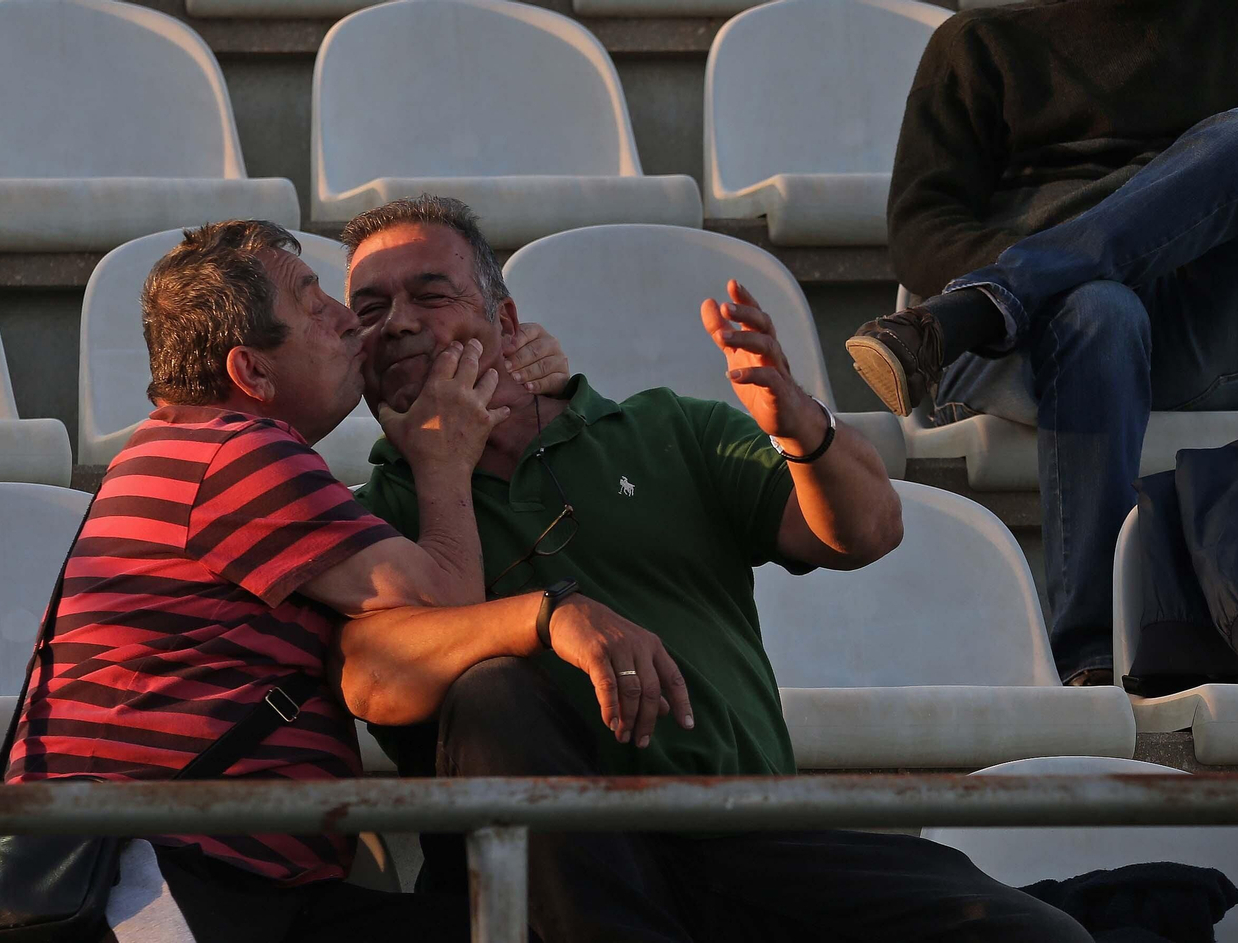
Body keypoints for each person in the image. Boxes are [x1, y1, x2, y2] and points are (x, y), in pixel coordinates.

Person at [338, 195, 1092, 942]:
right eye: (369, 310)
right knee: (488, 688)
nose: (398, 321)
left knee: (1033, 933)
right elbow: (371, 677)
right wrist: (546, 609)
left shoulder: (667, 427)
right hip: (544, 881)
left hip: (747, 838)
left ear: (505, 324)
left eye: (430, 294)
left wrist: (799, 419)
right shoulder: (359, 513)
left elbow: (869, 528)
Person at [2, 219, 656, 943]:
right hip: (166, 885)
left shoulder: (186, 445)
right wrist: (443, 462)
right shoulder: (238, 454)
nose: (352, 324)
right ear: (250, 372)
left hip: (228, 882)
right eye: (315, 307)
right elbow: (449, 610)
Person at [845, 0, 1238, 684]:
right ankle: (1091, 651)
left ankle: (992, 299)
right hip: (1032, 346)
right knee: (1101, 308)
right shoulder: (977, 42)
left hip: (1195, 338)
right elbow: (920, 230)